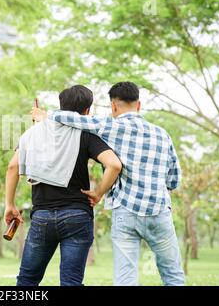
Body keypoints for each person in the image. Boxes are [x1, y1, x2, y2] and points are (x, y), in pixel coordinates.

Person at [32, 81, 185, 286]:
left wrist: (44, 116)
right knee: (173, 274)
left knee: (125, 277)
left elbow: (68, 117)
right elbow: (174, 179)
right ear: (138, 105)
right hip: (159, 211)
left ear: (113, 106)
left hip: (125, 211)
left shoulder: (109, 126)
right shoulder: (162, 135)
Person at [4, 85, 122, 286]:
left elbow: (12, 167)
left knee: (27, 280)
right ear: (86, 112)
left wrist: (10, 205)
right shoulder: (85, 134)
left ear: (61, 105)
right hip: (77, 215)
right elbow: (114, 164)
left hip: (42, 217)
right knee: (71, 282)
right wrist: (98, 193)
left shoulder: (31, 135)